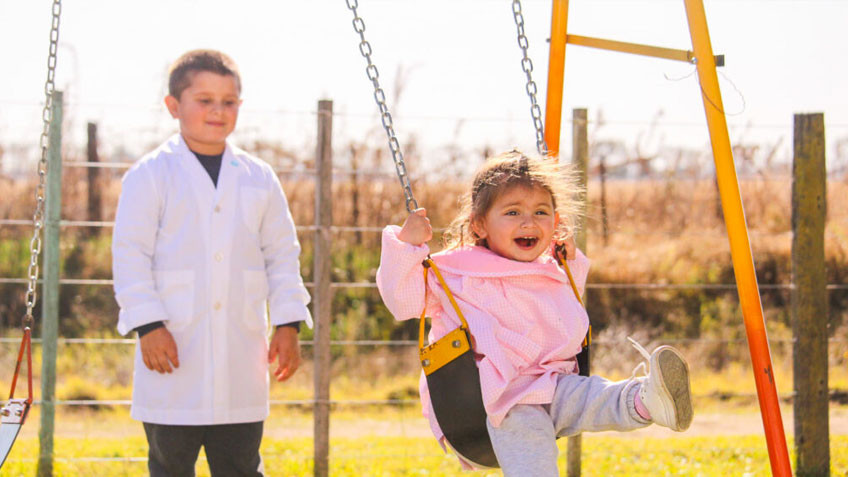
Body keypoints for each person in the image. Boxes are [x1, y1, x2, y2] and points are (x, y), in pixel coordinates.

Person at [376, 151, 693, 476]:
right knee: (529, 438)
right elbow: (403, 303)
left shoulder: (548, 268)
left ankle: (647, 399)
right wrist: (405, 247)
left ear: (555, 223)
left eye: (541, 212)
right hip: (492, 400)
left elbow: (562, 310)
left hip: (553, 383)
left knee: (594, 395)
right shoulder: (455, 271)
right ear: (479, 223)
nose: (528, 222)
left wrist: (569, 263)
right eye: (513, 212)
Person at [112, 49, 312, 477]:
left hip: (241, 357)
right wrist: (148, 324)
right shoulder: (150, 175)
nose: (218, 111)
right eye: (204, 100)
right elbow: (130, 257)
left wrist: (289, 323)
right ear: (173, 106)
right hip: (172, 354)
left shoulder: (258, 176)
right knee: (169, 466)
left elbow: (282, 254)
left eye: (228, 101)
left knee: (241, 466)